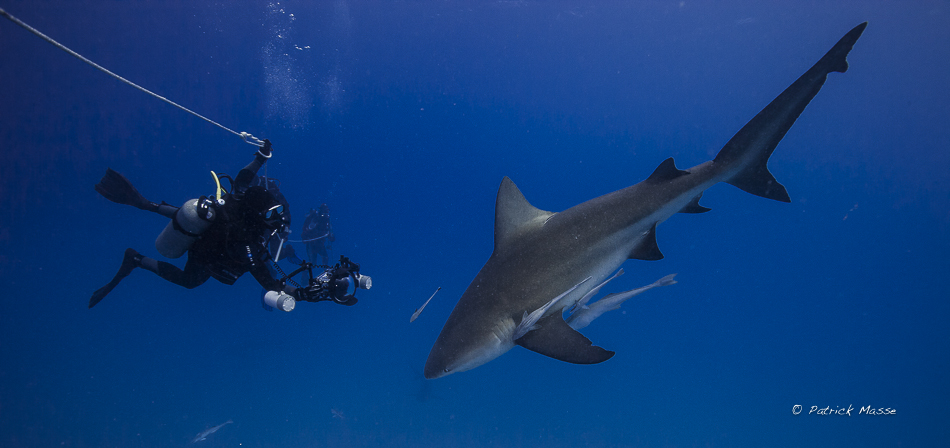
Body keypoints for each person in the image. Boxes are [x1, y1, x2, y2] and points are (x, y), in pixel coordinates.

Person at [88, 140, 354, 309]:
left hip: (210, 230)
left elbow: (243, 177)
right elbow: (269, 282)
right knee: (190, 281)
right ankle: (136, 259)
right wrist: (301, 294)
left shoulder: (240, 199)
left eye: (278, 209)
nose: (278, 216)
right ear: (257, 215)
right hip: (206, 255)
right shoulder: (246, 243)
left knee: (208, 212)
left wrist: (261, 157)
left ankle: (146, 205)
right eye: (272, 212)